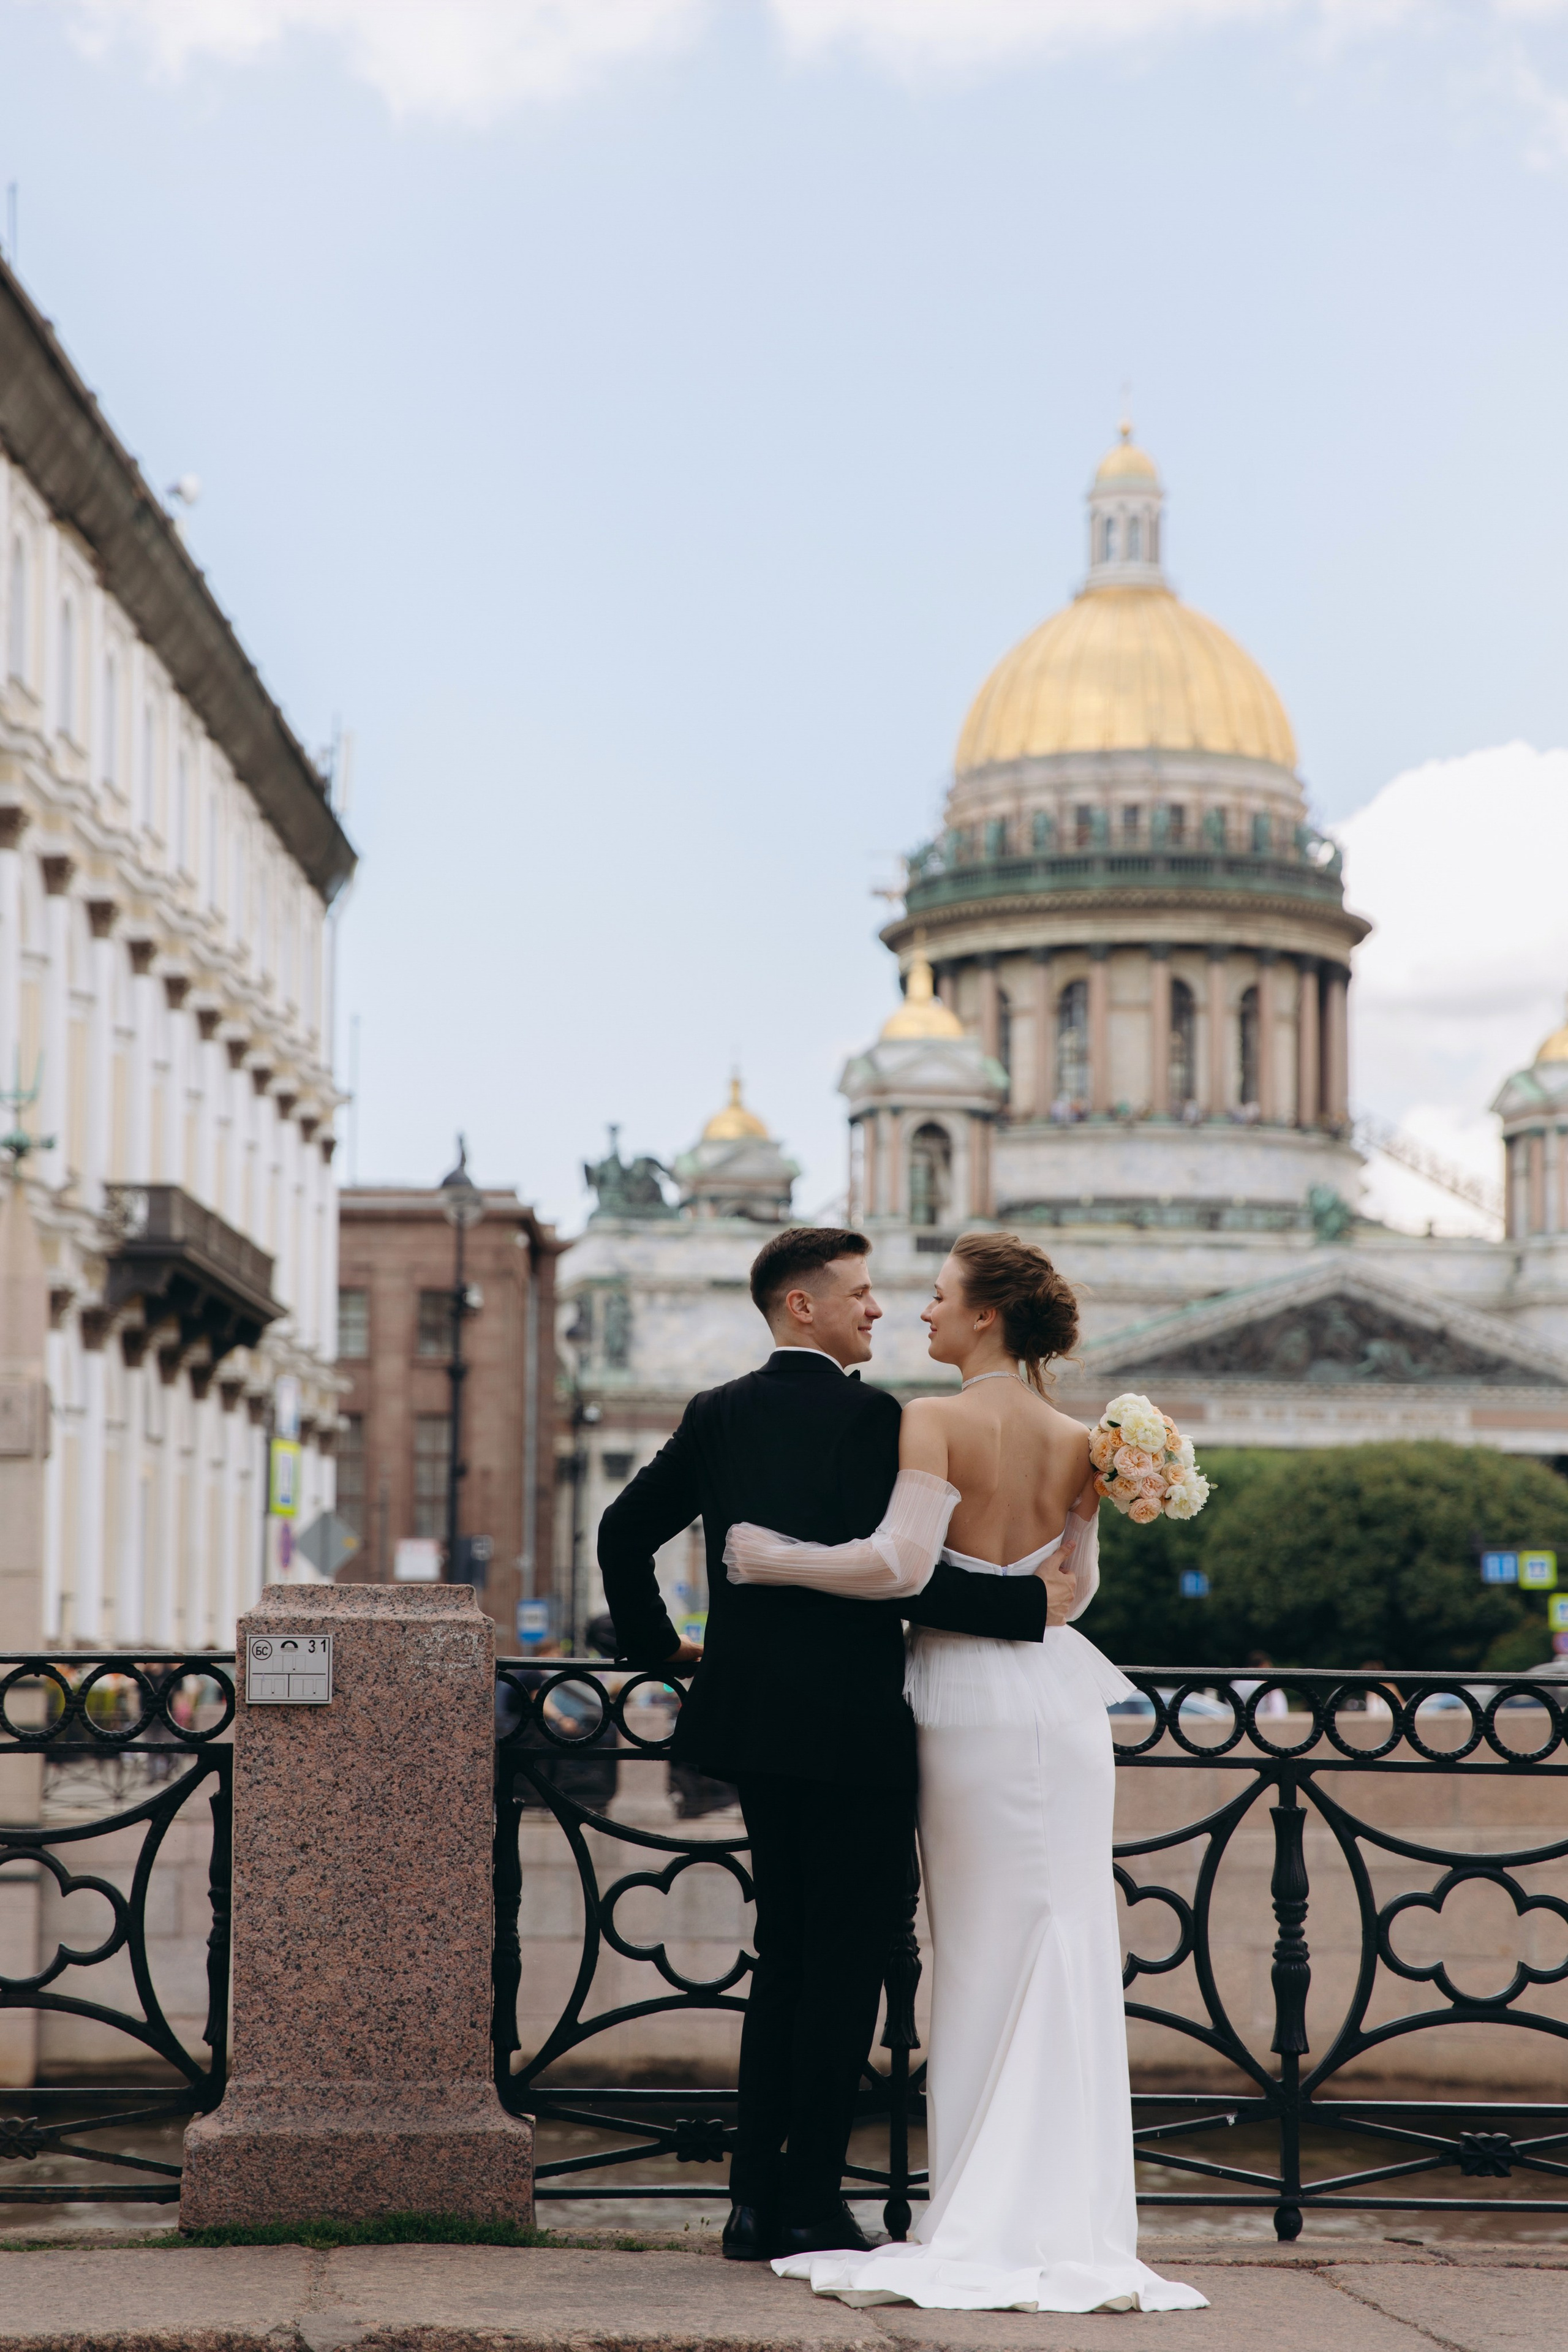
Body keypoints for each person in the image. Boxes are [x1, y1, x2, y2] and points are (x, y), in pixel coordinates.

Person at [723, 1231, 1206, 2316]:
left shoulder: (930, 1419)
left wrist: (769, 1558)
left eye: (939, 1297)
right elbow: (1073, 1593)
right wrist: (1021, 1596)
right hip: (1062, 1706)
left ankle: (980, 2207)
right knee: (1065, 1936)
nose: (920, 1313)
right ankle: (1066, 2211)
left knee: (980, 1947)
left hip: (965, 1709)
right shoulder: (1089, 1438)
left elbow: (898, 1566)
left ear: (987, 1316)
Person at [598, 1226, 1075, 2265]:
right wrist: (1036, 1610)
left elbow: (622, 1533)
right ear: (800, 1306)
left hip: (752, 1724)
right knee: (848, 1968)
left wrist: (659, 1648)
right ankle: (810, 2200)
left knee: (786, 1961)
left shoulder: (718, 1412)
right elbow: (905, 1576)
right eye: (858, 1294)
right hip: (856, 1729)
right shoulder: (879, 1420)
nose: (877, 1309)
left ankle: (749, 2202)